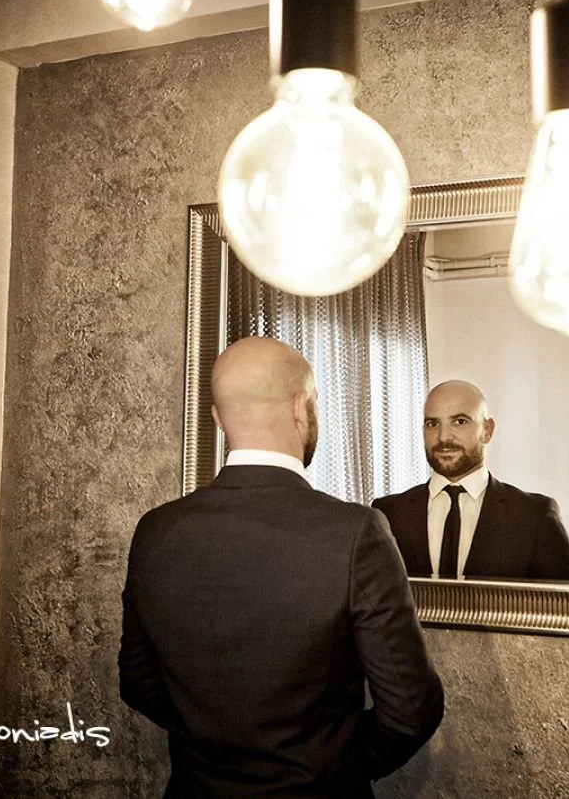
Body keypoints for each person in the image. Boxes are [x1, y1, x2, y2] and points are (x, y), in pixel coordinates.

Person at [119, 336, 444, 798]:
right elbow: (411, 708)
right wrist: (328, 768)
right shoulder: (355, 533)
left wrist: (215, 745)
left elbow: (138, 682)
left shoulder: (155, 530)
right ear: (300, 407)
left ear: (218, 419)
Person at [372, 380, 569, 583]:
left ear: (487, 430)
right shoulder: (387, 514)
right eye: (432, 423)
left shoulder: (535, 515)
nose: (443, 437)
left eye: (460, 421)